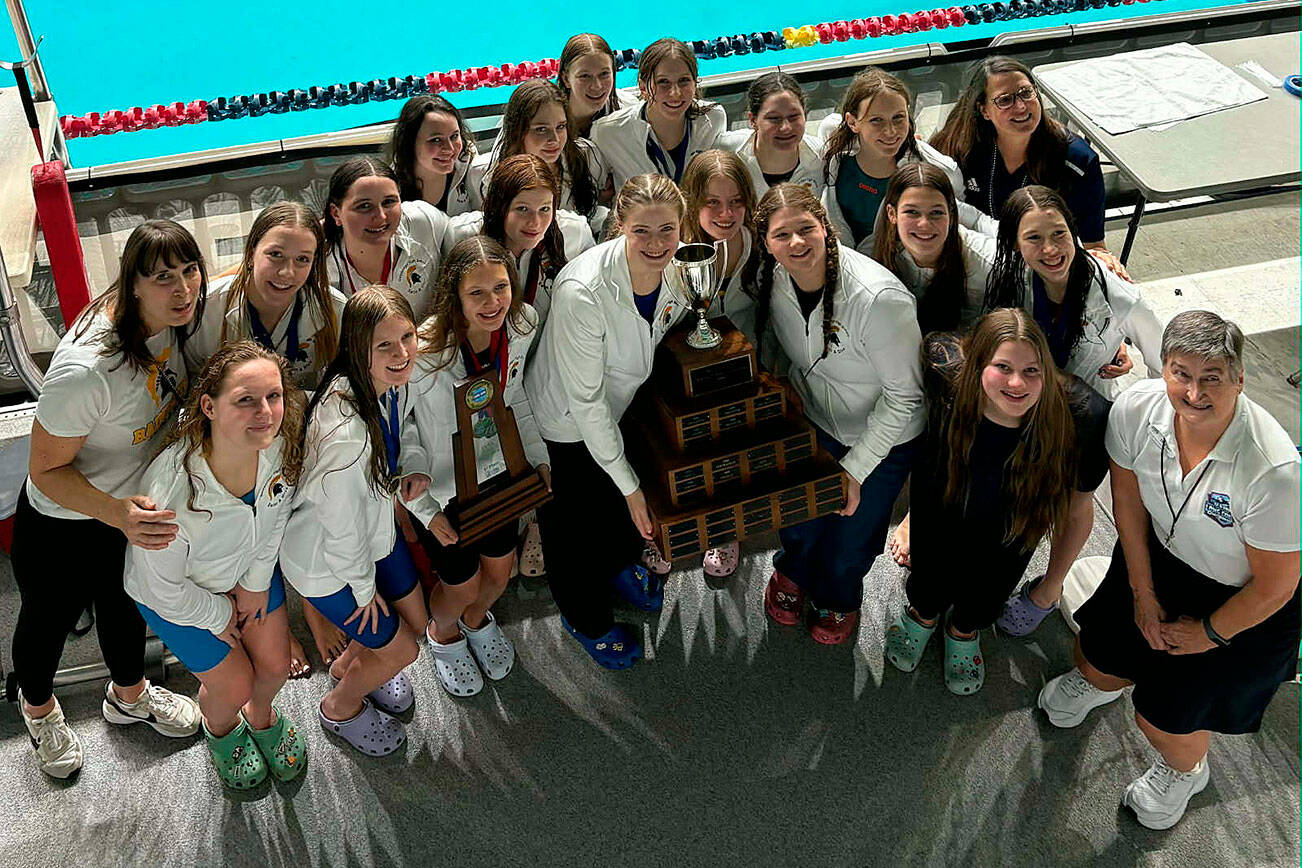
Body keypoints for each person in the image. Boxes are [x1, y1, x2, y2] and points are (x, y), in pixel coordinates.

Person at [1038, 311, 1300, 830]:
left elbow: (1277, 584)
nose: (1194, 392)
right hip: (1152, 555)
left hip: (1235, 597)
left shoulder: (1275, 473)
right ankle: (1102, 684)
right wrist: (1140, 588)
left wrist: (1207, 634)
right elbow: (1128, 496)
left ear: (1240, 378)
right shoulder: (1137, 407)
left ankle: (1186, 770)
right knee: (1098, 653)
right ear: (1162, 370)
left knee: (1164, 715)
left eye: (1212, 378)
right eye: (1181, 373)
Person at [13, 219, 204, 779]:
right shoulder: (85, 372)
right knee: (46, 623)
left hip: (128, 509)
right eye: (164, 278)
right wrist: (115, 512)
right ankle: (39, 709)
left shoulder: (175, 318)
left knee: (125, 606)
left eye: (189, 271)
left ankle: (128, 696)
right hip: (62, 523)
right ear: (132, 285)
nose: (184, 289)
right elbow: (45, 470)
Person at [885, 310, 1107, 694]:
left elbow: (1077, 509)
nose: (1017, 383)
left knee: (992, 583)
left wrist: (1053, 582)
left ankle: (964, 628)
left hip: (1016, 520)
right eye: (1002, 366)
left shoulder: (1082, 415)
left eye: (1032, 371)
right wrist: (909, 518)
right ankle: (922, 615)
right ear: (975, 363)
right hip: (943, 497)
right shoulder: (943, 370)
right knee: (930, 569)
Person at [124, 343, 308, 788]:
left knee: (275, 667)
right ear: (209, 406)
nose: (265, 412)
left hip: (247, 573)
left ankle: (260, 717)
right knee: (233, 686)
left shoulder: (278, 445)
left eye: (274, 396)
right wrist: (219, 614)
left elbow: (275, 514)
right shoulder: (170, 495)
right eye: (245, 400)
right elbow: (163, 588)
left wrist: (256, 582)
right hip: (178, 598)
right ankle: (222, 730)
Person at [526, 174, 689, 668]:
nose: (656, 244)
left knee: (614, 512)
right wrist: (631, 486)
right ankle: (585, 619)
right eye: (642, 231)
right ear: (619, 226)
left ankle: (618, 568)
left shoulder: (681, 269)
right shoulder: (584, 292)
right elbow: (587, 403)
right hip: (564, 421)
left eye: (667, 230)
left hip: (618, 408)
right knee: (572, 529)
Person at [754, 184, 925, 645]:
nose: (796, 243)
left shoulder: (879, 299)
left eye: (806, 229)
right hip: (816, 419)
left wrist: (855, 469)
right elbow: (778, 340)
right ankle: (791, 572)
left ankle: (840, 596)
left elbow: (906, 397)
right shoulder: (774, 277)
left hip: (884, 435)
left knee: (854, 534)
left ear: (826, 228)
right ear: (766, 242)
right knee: (801, 518)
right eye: (781, 234)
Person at [184, 201, 349, 677]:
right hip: (233, 441)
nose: (287, 271)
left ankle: (315, 605)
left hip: (299, 431)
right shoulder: (211, 310)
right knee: (247, 517)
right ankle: (265, 606)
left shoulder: (330, 310)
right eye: (276, 255)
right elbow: (195, 387)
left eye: (303, 260)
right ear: (252, 250)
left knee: (315, 503)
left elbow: (340, 384)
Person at [280, 287, 425, 756]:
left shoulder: (376, 388)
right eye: (385, 345)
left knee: (415, 624)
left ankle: (353, 667)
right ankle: (340, 706)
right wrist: (365, 592)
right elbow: (340, 530)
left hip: (371, 535)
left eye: (407, 336)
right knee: (405, 650)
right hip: (330, 563)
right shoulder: (345, 437)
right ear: (358, 350)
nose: (402, 353)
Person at [404, 237, 548, 695]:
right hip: (445, 494)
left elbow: (515, 394)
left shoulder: (521, 325)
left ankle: (472, 621)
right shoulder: (424, 352)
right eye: (478, 293)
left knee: (500, 573)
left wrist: (538, 458)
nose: (493, 303)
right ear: (454, 295)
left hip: (498, 480)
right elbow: (400, 431)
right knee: (461, 584)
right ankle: (442, 632)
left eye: (501, 288)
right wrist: (426, 510)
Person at [930, 56, 1120, 270]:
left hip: (1043, 265)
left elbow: (1093, 244)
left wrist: (1104, 261)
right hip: (973, 259)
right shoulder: (959, 148)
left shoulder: (1076, 161)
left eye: (1026, 93)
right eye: (1004, 100)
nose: (1020, 106)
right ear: (984, 110)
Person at [820, 67, 994, 253]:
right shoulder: (836, 157)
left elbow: (972, 219)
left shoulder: (929, 170)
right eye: (876, 120)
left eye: (898, 118)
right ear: (853, 122)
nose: (891, 131)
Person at [442, 153, 595, 324]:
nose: (535, 223)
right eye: (522, 209)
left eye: (544, 209)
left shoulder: (574, 232)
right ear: (499, 206)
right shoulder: (464, 235)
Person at [871, 163, 996, 335]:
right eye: (912, 212)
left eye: (936, 213)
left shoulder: (987, 266)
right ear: (892, 214)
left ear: (951, 215)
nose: (924, 224)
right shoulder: (874, 255)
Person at [322, 157, 448, 321]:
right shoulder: (322, 272)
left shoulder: (422, 223)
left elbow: (471, 228)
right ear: (336, 213)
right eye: (364, 206)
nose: (381, 216)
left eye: (389, 202)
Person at [590, 38, 726, 189]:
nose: (675, 93)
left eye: (684, 81)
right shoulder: (608, 132)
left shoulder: (713, 119)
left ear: (695, 83)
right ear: (643, 88)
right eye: (663, 82)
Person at [480, 80, 609, 230]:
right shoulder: (496, 176)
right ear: (518, 131)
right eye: (541, 129)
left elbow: (599, 206)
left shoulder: (586, 156)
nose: (554, 139)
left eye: (560, 127)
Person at [716, 71, 824, 199]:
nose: (786, 127)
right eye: (774, 118)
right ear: (753, 120)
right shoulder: (725, 153)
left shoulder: (822, 156)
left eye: (794, 116)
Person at [388, 95, 482, 216]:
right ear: (409, 143)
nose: (450, 149)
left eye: (454, 136)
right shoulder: (392, 186)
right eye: (436, 140)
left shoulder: (469, 162)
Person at [556, 33, 635, 139]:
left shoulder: (629, 114)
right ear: (566, 79)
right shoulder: (546, 118)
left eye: (604, 74)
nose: (596, 86)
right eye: (585, 76)